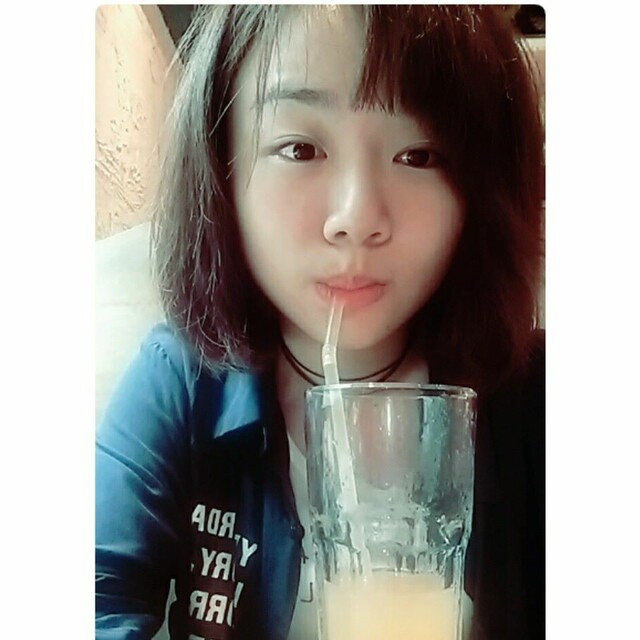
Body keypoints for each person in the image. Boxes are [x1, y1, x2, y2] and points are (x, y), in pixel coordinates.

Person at [95, 5, 545, 640]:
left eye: (418, 155)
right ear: (221, 163)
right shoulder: (183, 381)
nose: (356, 218)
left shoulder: (536, 400)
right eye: (300, 149)